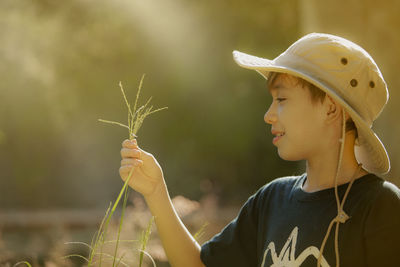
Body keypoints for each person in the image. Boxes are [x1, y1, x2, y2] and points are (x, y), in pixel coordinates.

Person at [119, 33, 400, 267]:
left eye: (282, 99)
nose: (268, 115)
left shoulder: (382, 207)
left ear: (330, 107)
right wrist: (156, 192)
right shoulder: (271, 200)